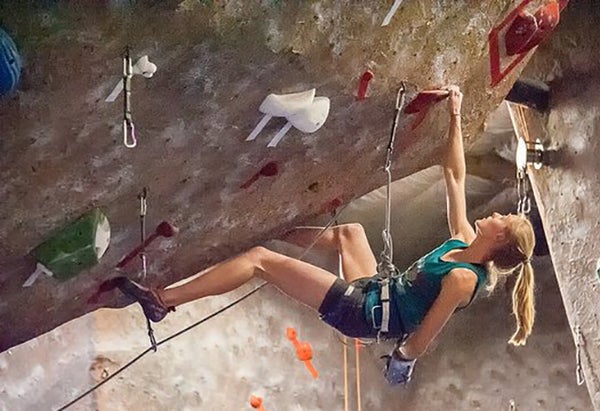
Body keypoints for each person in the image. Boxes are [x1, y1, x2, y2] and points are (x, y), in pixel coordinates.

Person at [114, 86, 537, 385]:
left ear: (500, 241)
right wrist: (456, 114)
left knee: (261, 260)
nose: (495, 213)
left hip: (362, 313)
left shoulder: (464, 279)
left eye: (501, 219)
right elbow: (454, 173)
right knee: (350, 232)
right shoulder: (463, 240)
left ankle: (162, 302)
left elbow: (424, 336)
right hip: (377, 289)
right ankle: (271, 227)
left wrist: (401, 363)